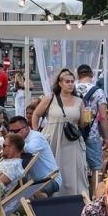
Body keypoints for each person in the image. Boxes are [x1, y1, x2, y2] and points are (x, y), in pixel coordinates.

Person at [32, 68, 90, 198]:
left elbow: (81, 124)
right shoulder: (50, 99)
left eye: (72, 81)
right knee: (53, 168)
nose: (70, 84)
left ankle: (74, 199)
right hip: (53, 138)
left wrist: (87, 120)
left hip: (72, 141)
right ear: (60, 83)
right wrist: (36, 133)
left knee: (73, 170)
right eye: (67, 81)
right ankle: (53, 197)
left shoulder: (79, 101)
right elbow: (35, 114)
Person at [7, 113, 62, 197]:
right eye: (10, 131)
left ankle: (45, 204)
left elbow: (28, 150)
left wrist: (12, 142)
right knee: (12, 188)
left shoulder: (37, 137)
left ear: (26, 129)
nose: (12, 134)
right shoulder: (22, 139)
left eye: (15, 131)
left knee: (35, 193)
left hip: (52, 178)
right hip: (35, 181)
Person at [75, 64, 108, 177]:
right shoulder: (98, 92)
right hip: (91, 133)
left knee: (75, 167)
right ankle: (96, 188)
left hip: (73, 133)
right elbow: (103, 116)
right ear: (92, 75)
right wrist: (106, 137)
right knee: (96, 168)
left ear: (78, 76)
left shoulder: (71, 89)